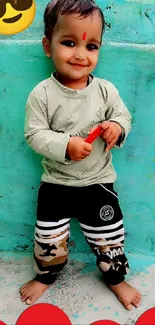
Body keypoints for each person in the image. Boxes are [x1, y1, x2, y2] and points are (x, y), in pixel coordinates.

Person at [20, 0, 141, 310]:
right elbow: (34, 134)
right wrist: (65, 145)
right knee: (48, 240)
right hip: (56, 184)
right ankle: (45, 277)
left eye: (91, 45)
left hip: (98, 184)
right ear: (48, 46)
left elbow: (124, 116)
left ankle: (116, 278)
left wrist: (116, 126)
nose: (80, 54)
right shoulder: (42, 94)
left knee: (110, 239)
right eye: (69, 42)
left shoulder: (106, 91)